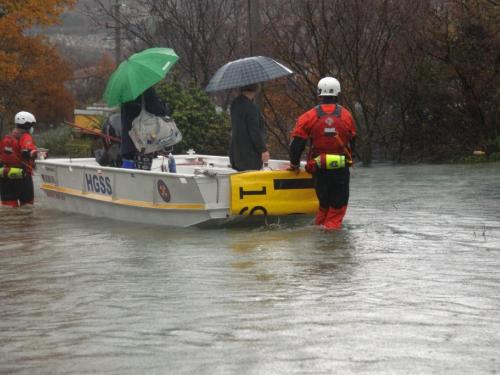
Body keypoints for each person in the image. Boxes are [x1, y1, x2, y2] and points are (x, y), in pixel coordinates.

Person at [289, 77, 357, 229]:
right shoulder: (346, 115)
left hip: (319, 169)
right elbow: (352, 143)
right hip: (340, 169)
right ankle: (330, 246)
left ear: (319, 94)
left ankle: (320, 241)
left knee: (323, 208)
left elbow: (296, 144)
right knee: (336, 212)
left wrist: (294, 163)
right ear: (337, 93)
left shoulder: (308, 116)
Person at [0, 111, 47, 207]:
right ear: (27, 125)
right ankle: (24, 222)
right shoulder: (25, 137)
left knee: (8, 207)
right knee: (27, 207)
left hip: (5, 175)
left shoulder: (6, 138)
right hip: (22, 176)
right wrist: (37, 153)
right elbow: (27, 151)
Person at [121, 86, 172, 170]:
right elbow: (158, 109)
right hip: (143, 141)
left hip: (128, 142)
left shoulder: (126, 91)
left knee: (129, 172)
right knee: (143, 177)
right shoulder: (146, 89)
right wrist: (166, 107)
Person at [229, 83, 269, 171]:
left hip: (236, 153)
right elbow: (255, 131)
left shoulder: (235, 103)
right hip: (249, 156)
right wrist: (263, 150)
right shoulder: (250, 106)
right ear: (255, 87)